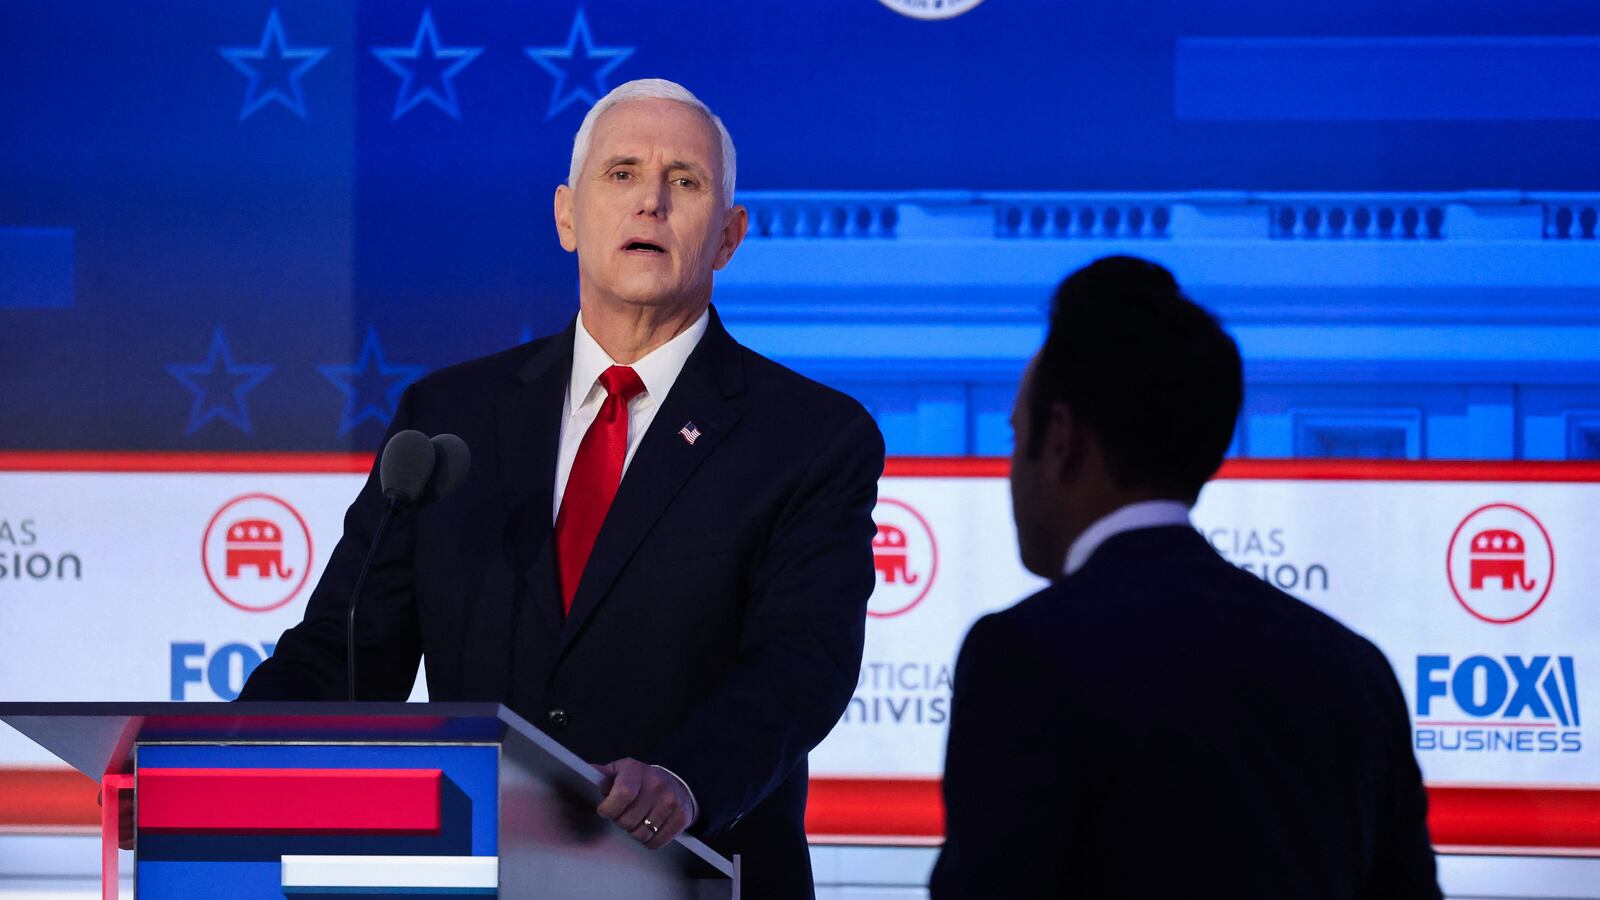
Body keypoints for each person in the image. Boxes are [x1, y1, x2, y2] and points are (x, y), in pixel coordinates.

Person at [239, 78, 885, 899]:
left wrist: (685, 780)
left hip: (695, 874)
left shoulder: (810, 437)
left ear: (728, 236)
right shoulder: (450, 417)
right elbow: (347, 648)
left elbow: (802, 665)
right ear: (567, 217)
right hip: (478, 875)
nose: (650, 201)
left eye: (683, 181)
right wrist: (220, 765)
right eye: (620, 173)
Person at [929, 257, 1440, 898]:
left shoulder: (1026, 656)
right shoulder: (1353, 669)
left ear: (1060, 438)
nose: (1011, 472)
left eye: (1014, 435)